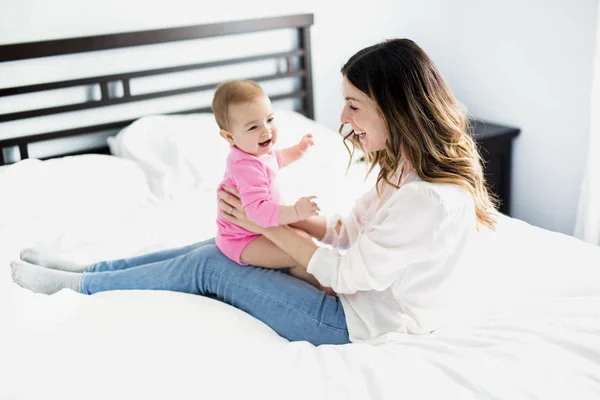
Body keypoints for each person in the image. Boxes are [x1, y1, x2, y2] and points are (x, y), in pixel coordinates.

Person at [11, 38, 497, 346]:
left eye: (353, 105)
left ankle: (79, 287)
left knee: (211, 264)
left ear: (395, 108)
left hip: (357, 324)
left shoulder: (427, 197)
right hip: (353, 300)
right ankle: (88, 269)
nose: (343, 120)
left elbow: (349, 274)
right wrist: (278, 219)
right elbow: (347, 231)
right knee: (213, 248)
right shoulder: (403, 169)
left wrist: (262, 222)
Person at [211, 80, 330, 294]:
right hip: (242, 240)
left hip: (257, 230)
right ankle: (319, 292)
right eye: (253, 126)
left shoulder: (256, 153)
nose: (266, 130)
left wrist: (299, 150)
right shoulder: (245, 166)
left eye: (270, 119)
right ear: (230, 137)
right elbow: (258, 213)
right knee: (296, 253)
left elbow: (277, 158)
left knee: (303, 241)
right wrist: (295, 212)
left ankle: (321, 282)